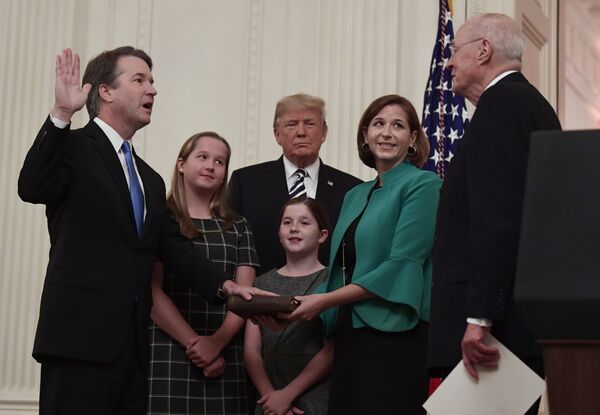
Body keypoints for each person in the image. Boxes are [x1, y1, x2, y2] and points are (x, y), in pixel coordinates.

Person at [17, 47, 266, 414]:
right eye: (140, 80)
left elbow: (173, 246)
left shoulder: (148, 179)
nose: (152, 90)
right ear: (105, 91)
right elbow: (31, 187)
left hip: (134, 349)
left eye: (152, 81)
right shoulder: (70, 147)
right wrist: (61, 113)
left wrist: (226, 286)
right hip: (78, 340)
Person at [426, 13, 562, 414]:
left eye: (455, 51)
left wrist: (479, 318)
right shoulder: (528, 105)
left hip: (491, 337)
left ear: (484, 50)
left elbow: (497, 219)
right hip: (516, 323)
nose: (448, 63)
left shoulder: (501, 105)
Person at [284, 95, 441, 414]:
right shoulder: (355, 194)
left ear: (412, 139)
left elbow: (402, 266)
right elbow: (341, 267)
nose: (386, 133)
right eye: (378, 124)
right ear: (365, 134)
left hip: (396, 333)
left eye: (398, 125)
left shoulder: (424, 185)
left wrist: (325, 301)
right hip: (349, 333)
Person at [148, 132, 259, 414]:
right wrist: (196, 346)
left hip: (225, 352)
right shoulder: (160, 218)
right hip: (168, 349)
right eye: (203, 157)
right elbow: (152, 291)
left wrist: (216, 343)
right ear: (181, 164)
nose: (211, 165)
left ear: (224, 175)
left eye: (219, 161)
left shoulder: (238, 226)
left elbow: (244, 295)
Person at [228, 93, 362, 276]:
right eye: (292, 124)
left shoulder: (351, 189)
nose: (301, 132)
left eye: (310, 123)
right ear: (277, 135)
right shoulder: (246, 182)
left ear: (323, 133)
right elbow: (232, 247)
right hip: (260, 296)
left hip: (329, 297)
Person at [244, 196, 334, 415]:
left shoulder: (332, 282)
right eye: (287, 222)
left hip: (314, 398)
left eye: (304, 222)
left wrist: (287, 396)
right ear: (279, 233)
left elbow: (331, 350)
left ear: (322, 235)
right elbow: (252, 350)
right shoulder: (261, 283)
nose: (294, 228)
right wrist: (272, 398)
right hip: (268, 401)